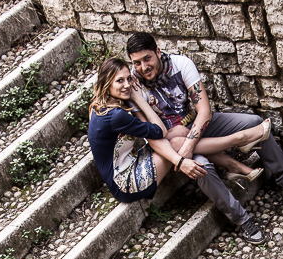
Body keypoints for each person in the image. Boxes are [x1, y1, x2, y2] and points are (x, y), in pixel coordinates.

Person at [125, 32, 283, 226]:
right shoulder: (132, 84)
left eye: (147, 59)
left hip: (196, 124)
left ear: (157, 51)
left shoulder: (180, 64)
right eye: (137, 63)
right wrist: (182, 155)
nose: (143, 67)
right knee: (202, 168)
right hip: (172, 142)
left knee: (255, 123)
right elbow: (150, 133)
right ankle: (242, 220)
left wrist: (190, 145)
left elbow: (204, 111)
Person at [87, 57, 269, 243]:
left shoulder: (99, 105)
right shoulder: (116, 116)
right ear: (106, 82)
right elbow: (159, 131)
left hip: (129, 162)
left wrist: (135, 103)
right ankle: (237, 141)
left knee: (181, 132)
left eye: (128, 79)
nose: (127, 85)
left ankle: (232, 160)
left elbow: (155, 132)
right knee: (179, 146)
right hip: (125, 181)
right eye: (120, 81)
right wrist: (139, 99)